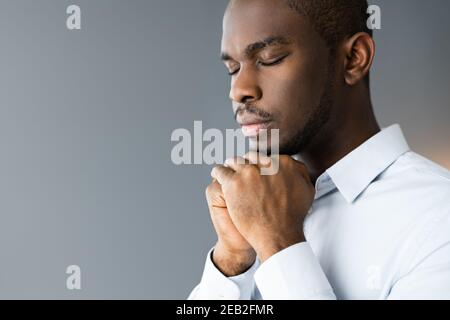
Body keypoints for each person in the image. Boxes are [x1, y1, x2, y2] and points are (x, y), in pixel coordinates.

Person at [188, 0, 450, 299]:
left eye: (269, 58)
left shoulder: (439, 219)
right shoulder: (253, 211)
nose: (238, 90)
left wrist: (278, 244)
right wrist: (232, 262)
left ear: (353, 58)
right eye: (232, 69)